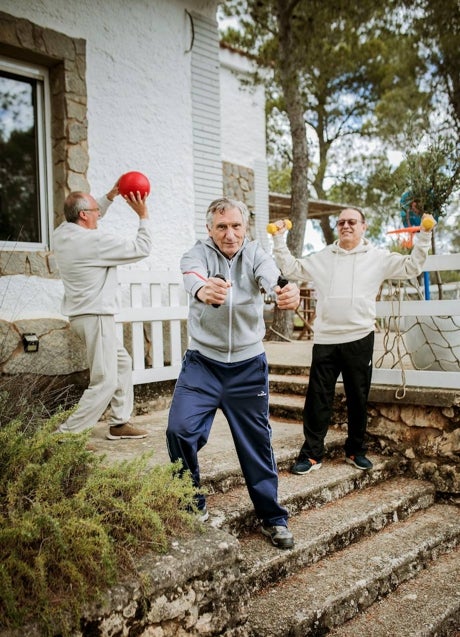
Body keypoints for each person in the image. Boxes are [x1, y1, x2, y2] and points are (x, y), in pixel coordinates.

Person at [166, 197, 300, 549]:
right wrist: (203, 288)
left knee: (257, 444)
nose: (229, 234)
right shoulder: (195, 254)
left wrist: (285, 291)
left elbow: (272, 277)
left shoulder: (255, 253)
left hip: (247, 367)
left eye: (236, 226)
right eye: (221, 227)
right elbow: (192, 277)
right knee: (179, 429)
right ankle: (191, 503)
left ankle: (273, 518)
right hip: (203, 364)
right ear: (210, 229)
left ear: (245, 227)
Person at [271, 207, 435, 475]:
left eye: (352, 222)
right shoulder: (324, 257)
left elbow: (412, 267)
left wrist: (425, 235)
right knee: (317, 398)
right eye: (341, 222)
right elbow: (291, 267)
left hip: (359, 337)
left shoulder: (378, 257)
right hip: (325, 339)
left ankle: (355, 450)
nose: (346, 226)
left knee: (357, 397)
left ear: (363, 226)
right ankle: (312, 454)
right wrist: (279, 239)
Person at [53, 180, 152, 440]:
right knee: (105, 381)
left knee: (122, 364)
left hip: (80, 316)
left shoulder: (62, 233)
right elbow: (142, 248)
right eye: (95, 210)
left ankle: (119, 423)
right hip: (96, 316)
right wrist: (143, 216)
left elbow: (90, 215)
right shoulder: (95, 242)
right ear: (84, 215)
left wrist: (108, 197)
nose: (99, 214)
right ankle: (67, 436)